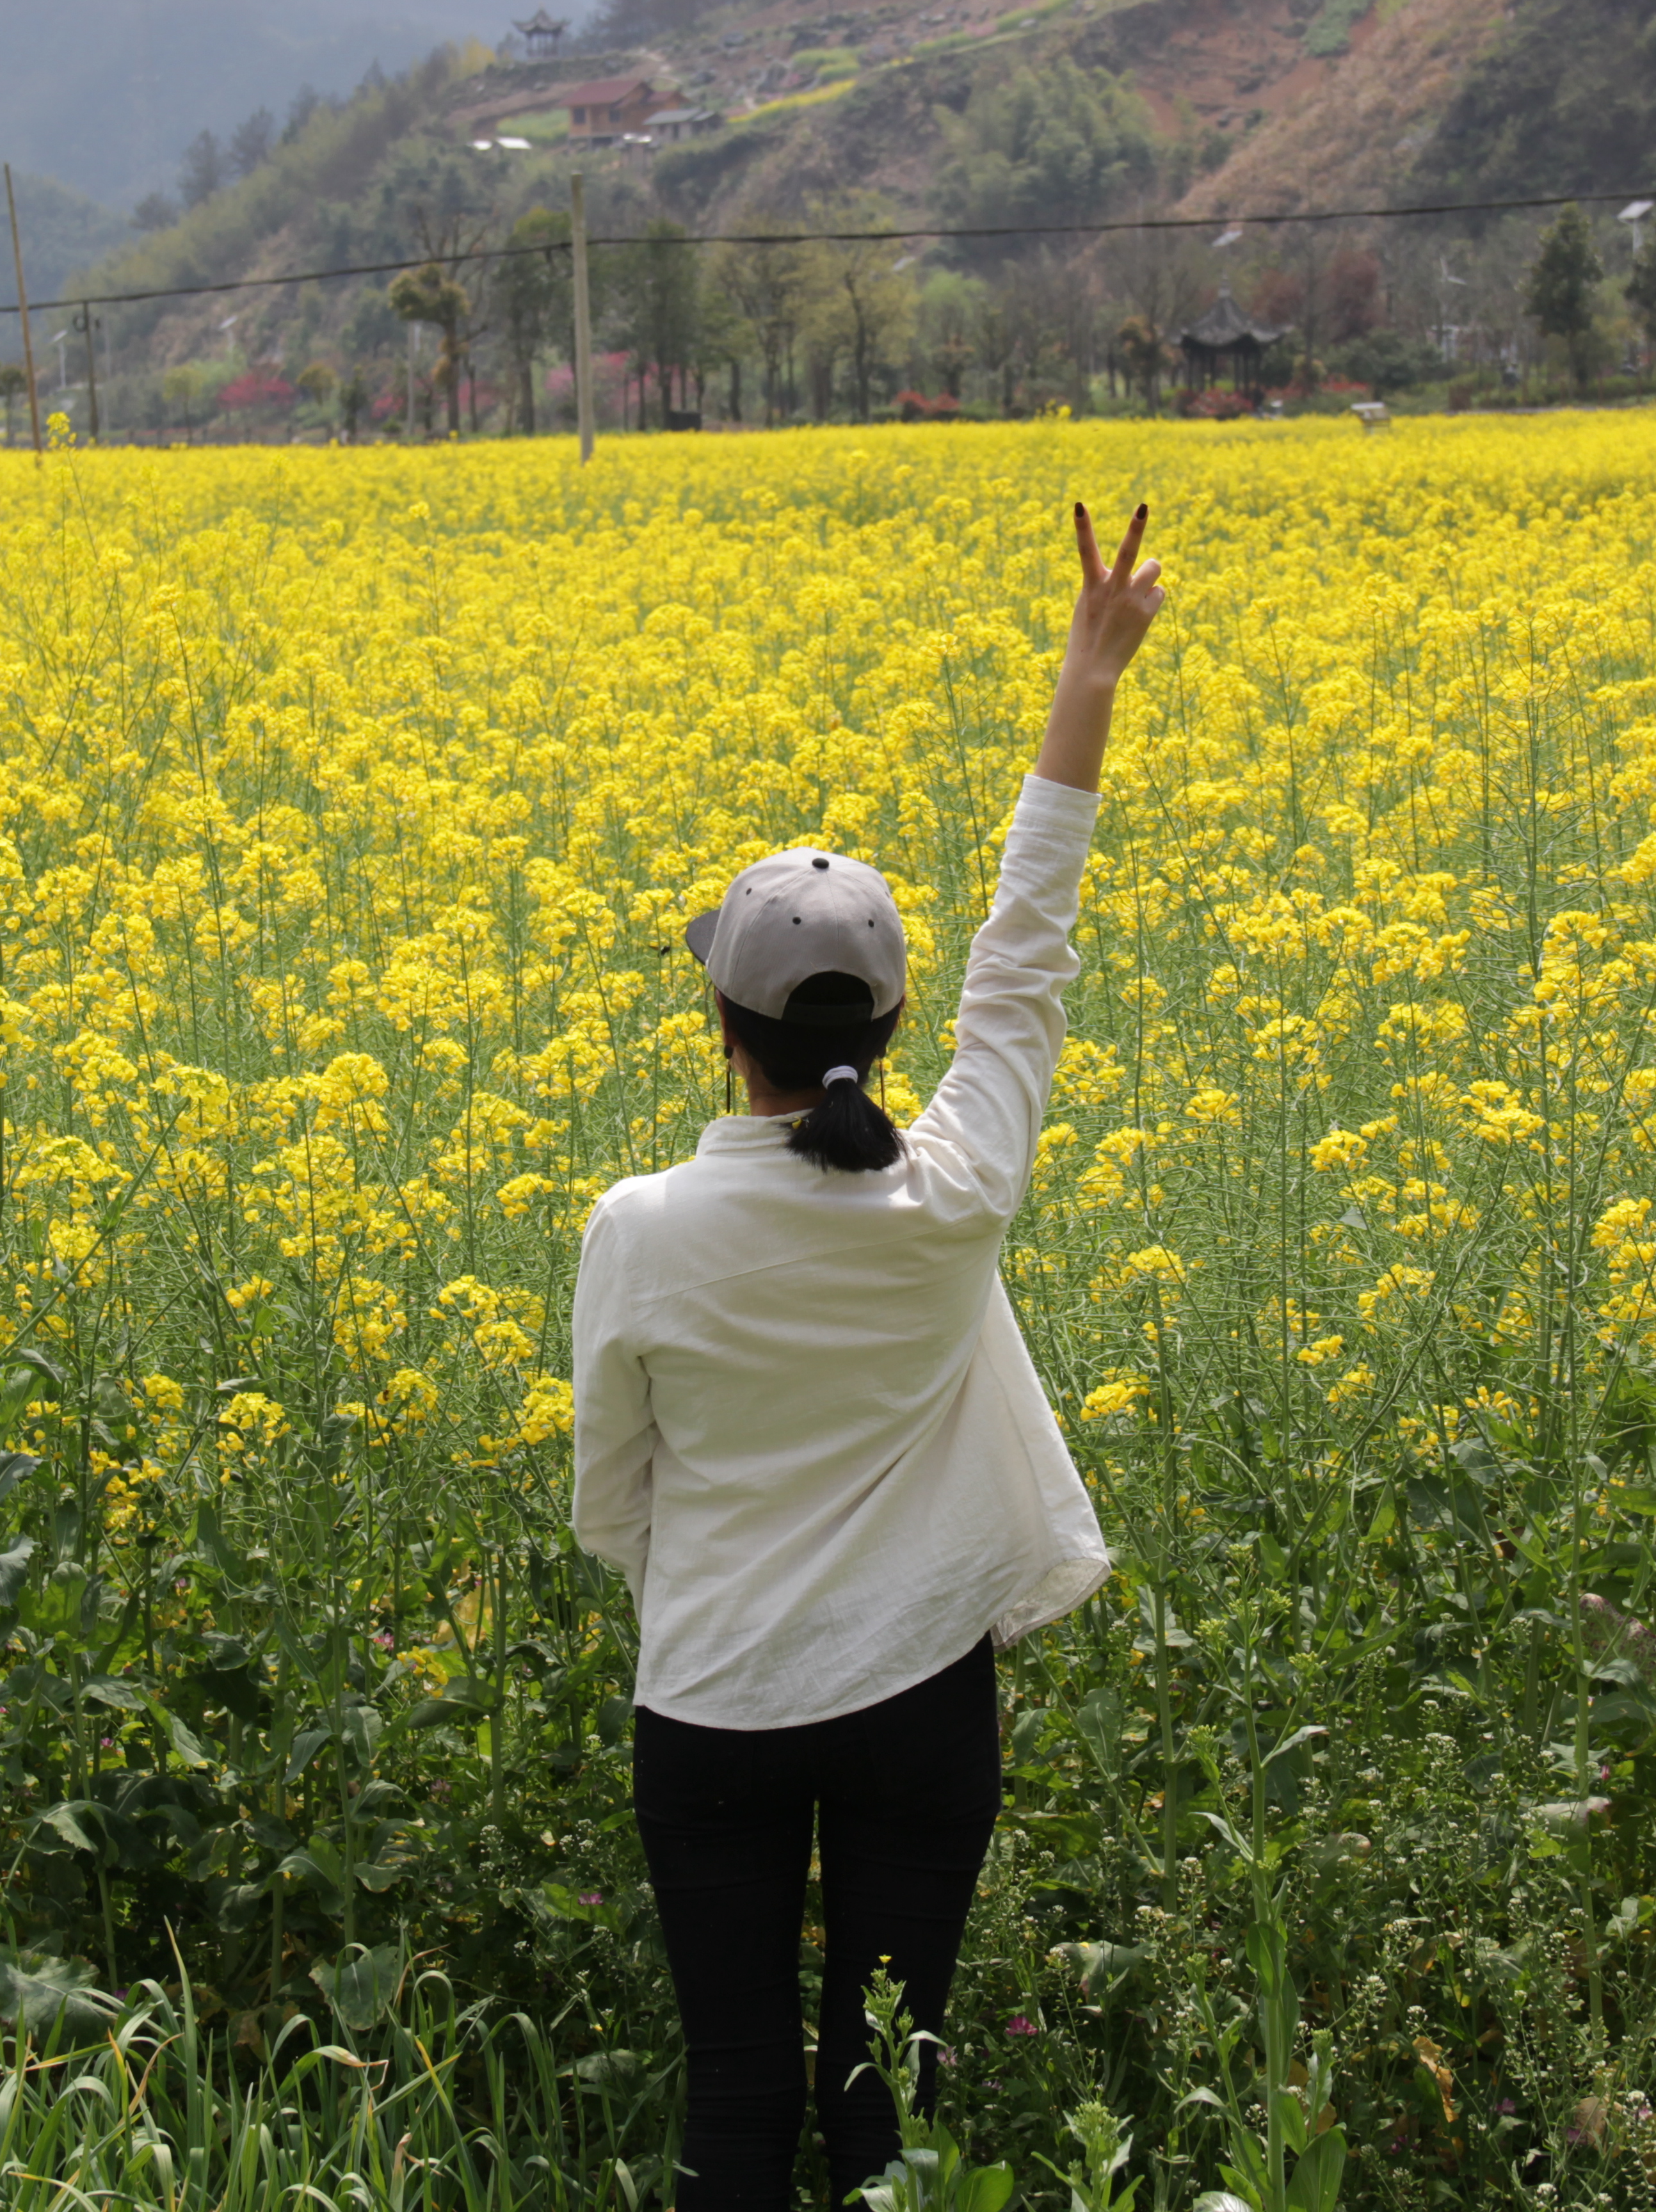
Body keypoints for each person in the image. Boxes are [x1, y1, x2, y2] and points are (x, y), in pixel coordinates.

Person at [571, 502, 1169, 2211]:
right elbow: (1026, 953)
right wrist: (1087, 673)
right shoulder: (957, 1194)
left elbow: (615, 1501)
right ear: (888, 1028)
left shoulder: (640, 1229)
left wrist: (716, 1603)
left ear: (724, 1029)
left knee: (736, 2104)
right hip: (922, 1698)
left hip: (714, 1703)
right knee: (882, 2108)